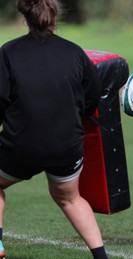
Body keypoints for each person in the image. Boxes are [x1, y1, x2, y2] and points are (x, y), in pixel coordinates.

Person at [0, 0, 108, 258]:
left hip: (21, 146)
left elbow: (1, 99)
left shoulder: (8, 52)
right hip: (66, 145)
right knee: (69, 198)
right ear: (55, 19)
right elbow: (93, 97)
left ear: (25, 18)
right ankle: (100, 256)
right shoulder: (75, 52)